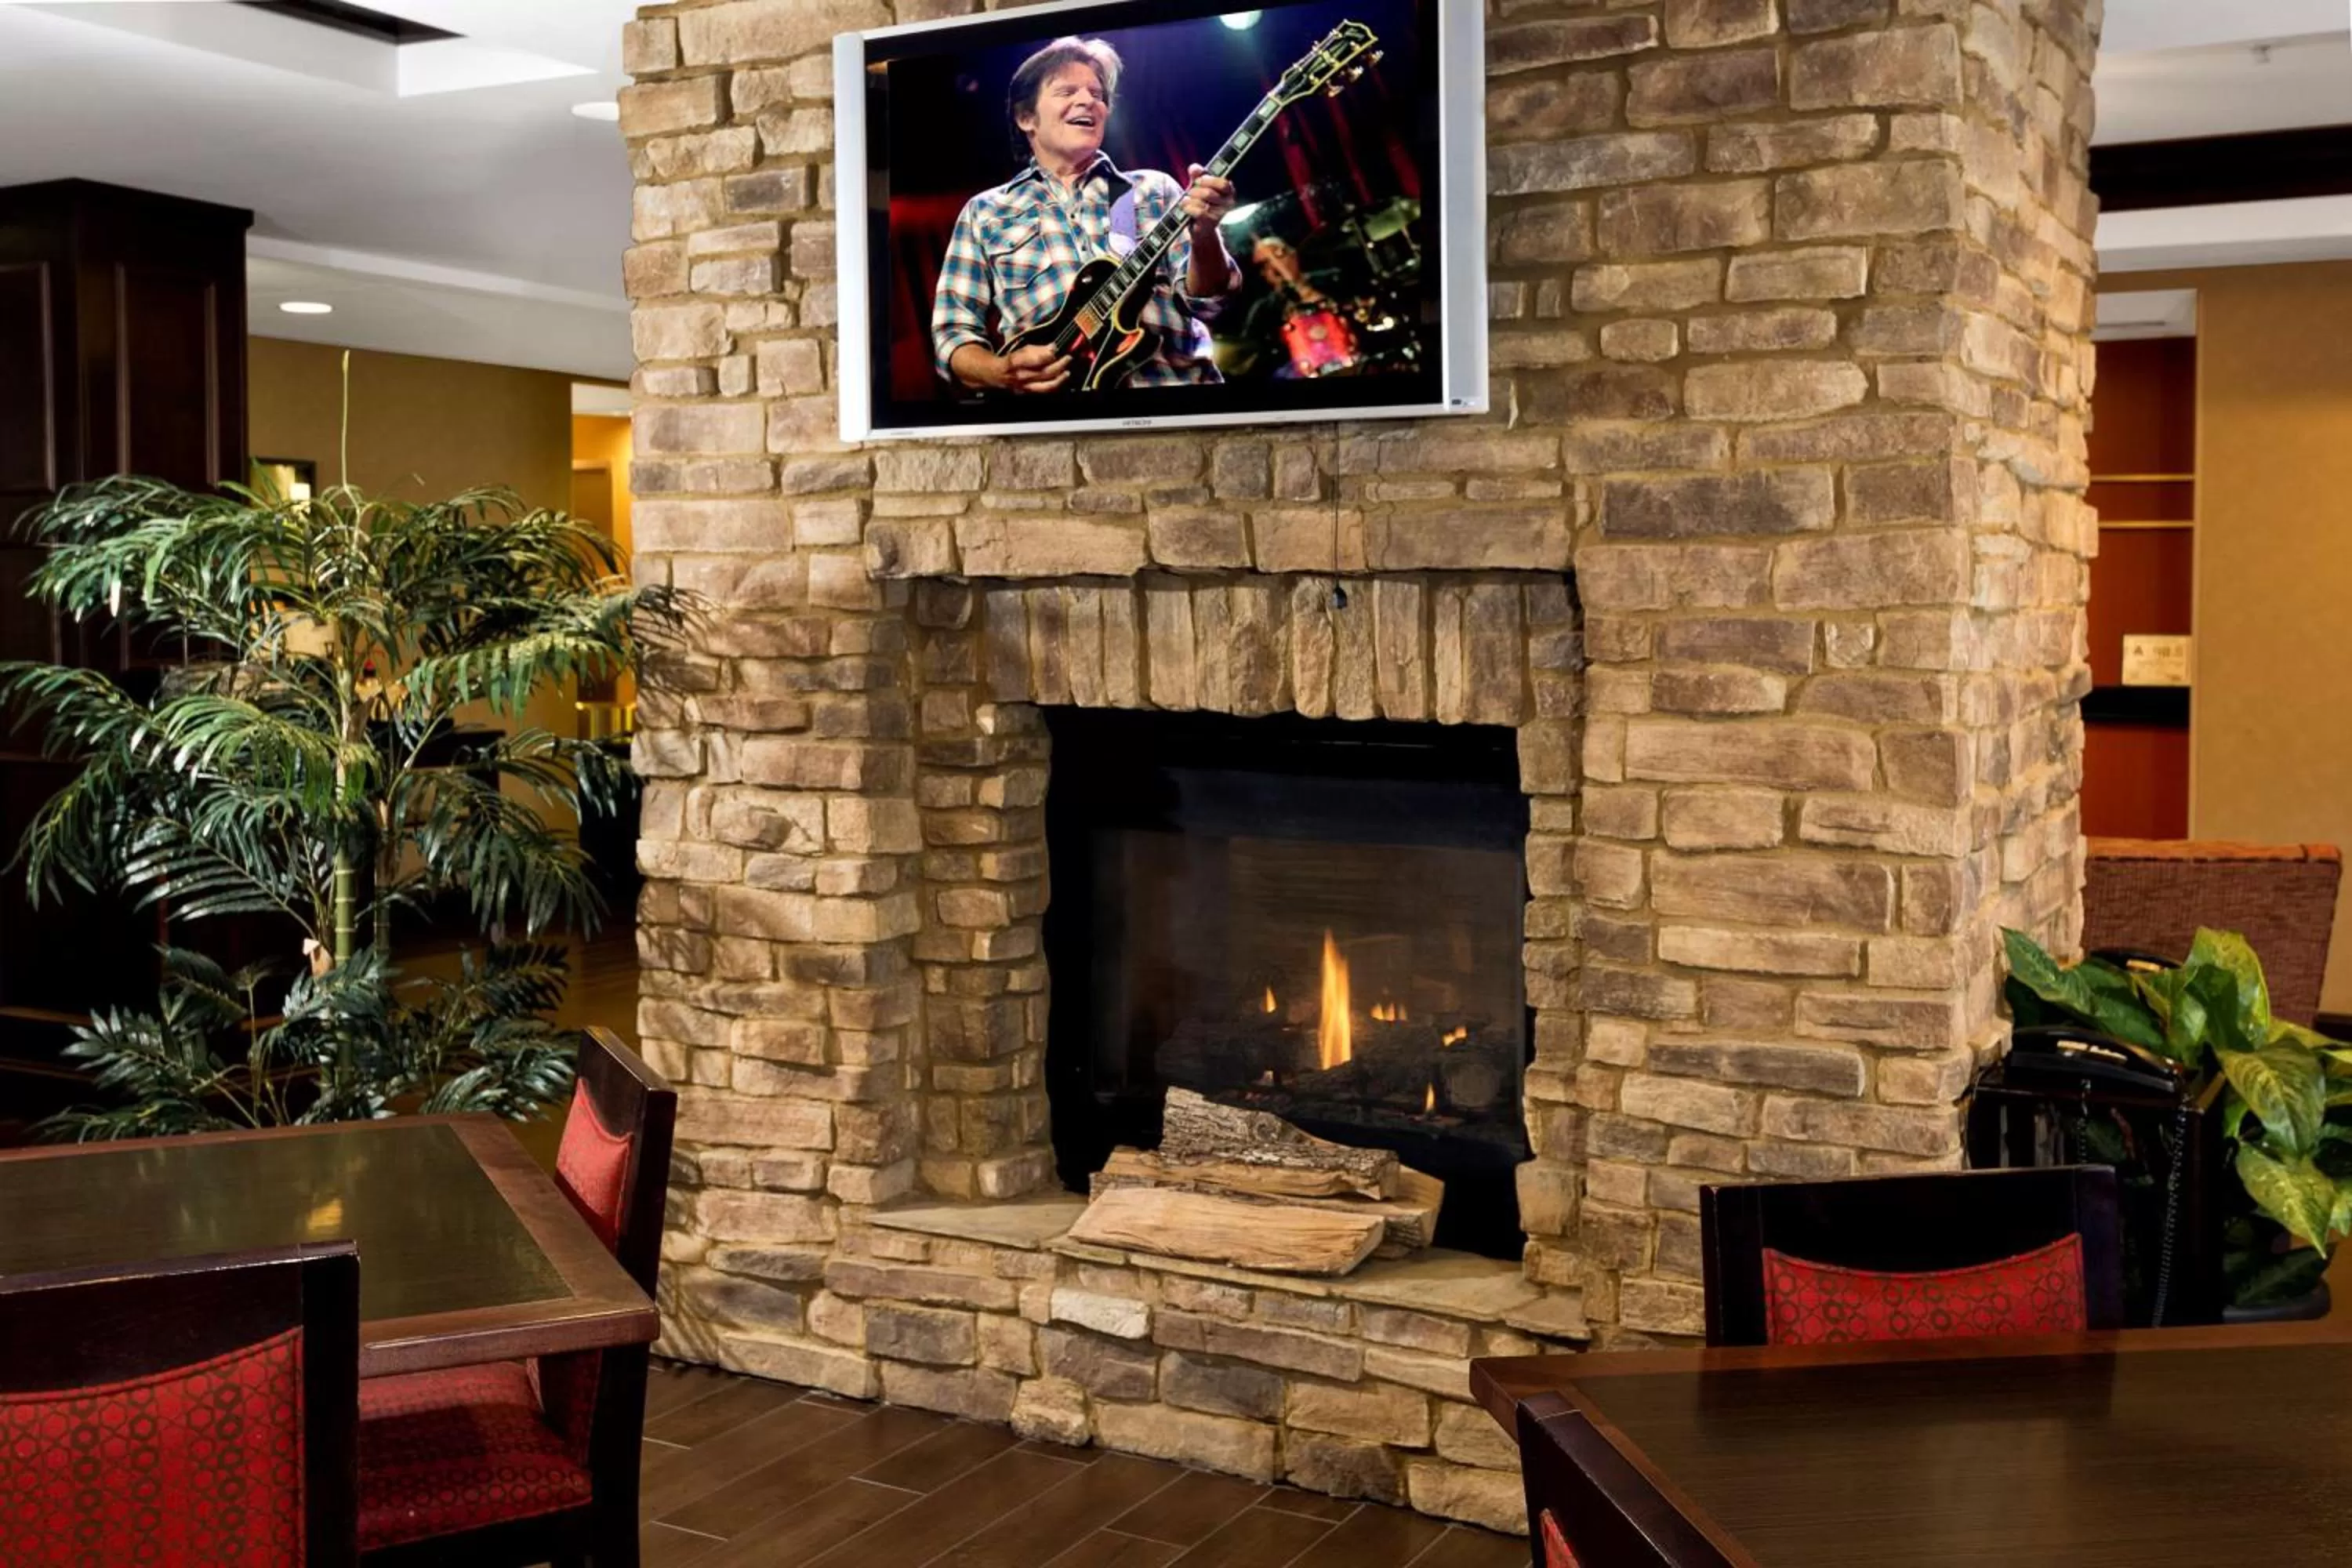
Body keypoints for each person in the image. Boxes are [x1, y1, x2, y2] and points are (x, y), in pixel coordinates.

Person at [931, 35, 1241, 395]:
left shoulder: (1151, 190)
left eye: (1097, 94)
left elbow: (1209, 303)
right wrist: (1000, 371)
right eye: (1067, 92)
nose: (1088, 101)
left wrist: (1205, 236)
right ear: (1026, 117)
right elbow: (952, 332)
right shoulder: (985, 213)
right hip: (1063, 431)